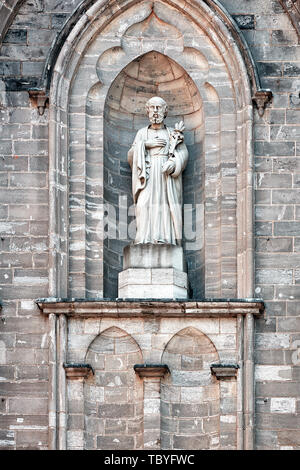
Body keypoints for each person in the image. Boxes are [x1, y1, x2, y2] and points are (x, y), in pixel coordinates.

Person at [128, 96, 188, 245]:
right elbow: (130, 156)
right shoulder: (142, 133)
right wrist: (146, 145)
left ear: (165, 111)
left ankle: (165, 238)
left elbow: (183, 154)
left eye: (159, 108)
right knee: (144, 204)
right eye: (152, 108)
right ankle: (144, 239)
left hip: (165, 176)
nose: (155, 111)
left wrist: (174, 164)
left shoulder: (171, 133)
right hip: (147, 175)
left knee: (164, 205)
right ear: (147, 110)